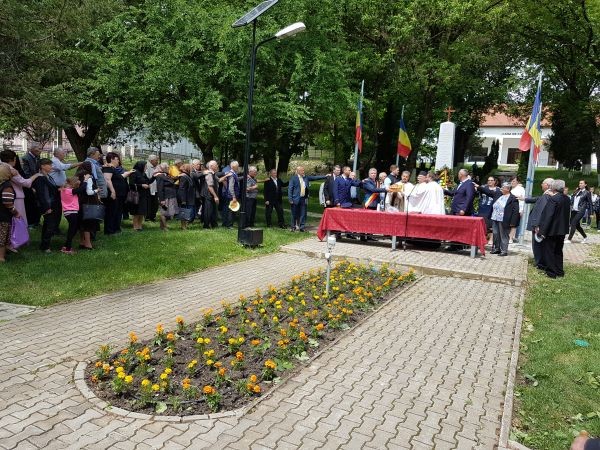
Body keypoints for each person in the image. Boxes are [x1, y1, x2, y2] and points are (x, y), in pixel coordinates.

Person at [537, 179, 571, 278]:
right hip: (562, 229)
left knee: (549, 251)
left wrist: (542, 231)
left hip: (552, 230)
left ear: (553, 187)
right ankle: (559, 271)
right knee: (558, 251)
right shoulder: (567, 198)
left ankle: (551, 272)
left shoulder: (553, 199)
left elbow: (548, 216)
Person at [0, 150, 41, 228]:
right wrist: (36, 175)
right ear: (13, 159)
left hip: (8, 196)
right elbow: (25, 183)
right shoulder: (11, 170)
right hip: (15, 197)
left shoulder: (2, 167)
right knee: (18, 221)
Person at [523, 178, 554, 270]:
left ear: (547, 185)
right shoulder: (548, 195)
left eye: (543, 183)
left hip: (539, 225)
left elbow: (540, 211)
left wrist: (537, 225)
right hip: (543, 225)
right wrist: (525, 199)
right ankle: (541, 262)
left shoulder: (546, 196)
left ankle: (540, 263)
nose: (541, 184)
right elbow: (537, 199)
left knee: (537, 245)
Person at [33, 158, 62, 253]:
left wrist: (59, 188)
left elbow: (51, 188)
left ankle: (44, 245)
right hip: (48, 205)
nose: (51, 166)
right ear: (42, 166)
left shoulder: (47, 176)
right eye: (49, 165)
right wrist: (47, 207)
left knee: (48, 225)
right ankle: (45, 246)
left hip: (53, 204)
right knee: (50, 225)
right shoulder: (40, 178)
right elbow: (42, 194)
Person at [102, 152, 133, 235]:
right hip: (113, 194)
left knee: (118, 211)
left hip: (120, 194)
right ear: (111, 159)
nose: (118, 161)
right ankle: (109, 230)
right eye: (117, 159)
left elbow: (120, 177)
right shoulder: (108, 168)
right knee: (111, 212)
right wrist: (113, 191)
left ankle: (116, 228)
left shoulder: (114, 169)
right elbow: (107, 180)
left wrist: (128, 173)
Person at [288, 166, 326, 231]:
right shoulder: (293, 178)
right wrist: (290, 199)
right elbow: (290, 189)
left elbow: (315, 178)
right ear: (298, 171)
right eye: (302, 170)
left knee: (303, 213)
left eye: (303, 170)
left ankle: (302, 227)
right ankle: (293, 227)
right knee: (294, 214)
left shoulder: (306, 177)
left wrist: (325, 176)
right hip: (295, 199)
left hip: (303, 198)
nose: (303, 172)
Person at [488, 182, 520, 256]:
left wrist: (513, 222)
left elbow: (515, 211)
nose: (501, 188)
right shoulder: (500, 195)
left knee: (504, 235)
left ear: (508, 189)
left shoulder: (513, 198)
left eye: (503, 187)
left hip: (504, 219)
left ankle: (504, 250)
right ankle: (497, 249)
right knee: (495, 234)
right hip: (495, 217)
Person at [76, 162, 101, 249]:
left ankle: (82, 242)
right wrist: (97, 190)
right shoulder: (88, 177)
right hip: (89, 202)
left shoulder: (78, 176)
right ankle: (88, 244)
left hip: (80, 202)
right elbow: (89, 192)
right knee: (88, 224)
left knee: (82, 223)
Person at [59, 176, 87, 254]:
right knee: (71, 231)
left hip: (68, 212)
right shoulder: (69, 191)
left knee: (73, 229)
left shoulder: (64, 190)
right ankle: (68, 249)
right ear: (73, 184)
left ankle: (65, 246)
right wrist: (85, 180)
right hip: (72, 212)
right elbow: (82, 189)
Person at [128, 161, 155, 231]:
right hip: (137, 195)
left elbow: (148, 181)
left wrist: (154, 177)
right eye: (145, 166)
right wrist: (141, 185)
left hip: (144, 195)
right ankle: (135, 226)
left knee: (142, 211)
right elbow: (131, 184)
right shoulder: (134, 173)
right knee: (137, 212)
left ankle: (140, 226)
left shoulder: (143, 174)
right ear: (141, 166)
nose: (146, 168)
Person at [0, 164, 18, 262]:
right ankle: (1, 257)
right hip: (3, 216)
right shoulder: (7, 186)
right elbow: (8, 203)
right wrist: (16, 212)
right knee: (2, 237)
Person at [21, 145, 42, 227]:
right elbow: (26, 174)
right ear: (32, 149)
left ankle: (37, 221)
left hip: (37, 183)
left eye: (40, 149)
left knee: (38, 203)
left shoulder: (37, 157)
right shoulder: (25, 158)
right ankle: (31, 223)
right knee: (31, 204)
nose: (40, 150)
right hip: (30, 184)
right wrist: (31, 187)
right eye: (38, 149)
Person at [566, 180, 592, 244]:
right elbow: (572, 199)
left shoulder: (587, 192)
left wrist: (591, 213)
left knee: (573, 223)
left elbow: (590, 203)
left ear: (585, 185)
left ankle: (569, 239)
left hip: (581, 210)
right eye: (579, 183)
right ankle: (585, 237)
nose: (580, 184)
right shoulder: (577, 191)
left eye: (581, 183)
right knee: (577, 225)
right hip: (574, 210)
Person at [153, 163, 178, 231]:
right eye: (167, 168)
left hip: (170, 196)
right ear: (163, 168)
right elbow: (160, 188)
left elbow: (171, 181)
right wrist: (161, 199)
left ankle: (161, 227)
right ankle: (165, 227)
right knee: (164, 212)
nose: (168, 169)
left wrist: (178, 177)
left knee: (167, 212)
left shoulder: (166, 175)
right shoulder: (160, 176)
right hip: (165, 197)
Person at [221, 161, 240, 229]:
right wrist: (233, 196)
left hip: (231, 195)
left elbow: (236, 180)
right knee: (231, 210)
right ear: (234, 167)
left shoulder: (233, 173)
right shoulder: (232, 174)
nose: (238, 168)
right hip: (231, 195)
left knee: (230, 209)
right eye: (237, 166)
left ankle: (227, 223)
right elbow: (231, 187)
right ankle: (229, 225)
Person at [201, 160, 220, 229]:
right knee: (208, 211)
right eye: (216, 165)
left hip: (211, 195)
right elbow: (210, 186)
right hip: (209, 195)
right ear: (211, 166)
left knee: (213, 210)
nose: (217, 166)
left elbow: (219, 180)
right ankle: (206, 226)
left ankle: (213, 224)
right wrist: (215, 196)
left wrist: (227, 175)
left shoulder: (213, 173)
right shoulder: (209, 174)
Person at [177, 164, 196, 230]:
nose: (192, 169)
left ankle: (185, 225)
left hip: (189, 197)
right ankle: (183, 226)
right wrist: (183, 200)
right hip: (185, 198)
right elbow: (182, 189)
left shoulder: (187, 175)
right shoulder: (183, 176)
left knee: (187, 212)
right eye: (191, 168)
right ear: (187, 168)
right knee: (184, 212)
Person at [509, 176, 526, 242]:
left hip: (517, 208)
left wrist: (521, 210)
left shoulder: (521, 189)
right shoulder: (509, 187)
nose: (512, 182)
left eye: (514, 181)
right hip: (508, 208)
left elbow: (522, 200)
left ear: (517, 182)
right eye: (511, 181)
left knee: (514, 224)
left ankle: (511, 238)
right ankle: (509, 237)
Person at [144, 155, 159, 222]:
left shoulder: (156, 166)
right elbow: (147, 178)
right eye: (156, 160)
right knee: (149, 203)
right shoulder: (147, 167)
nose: (157, 162)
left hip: (155, 189)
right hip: (149, 189)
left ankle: (153, 216)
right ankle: (147, 217)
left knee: (155, 203)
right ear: (151, 161)